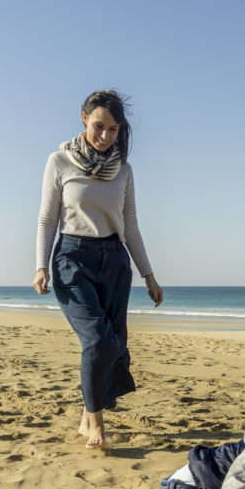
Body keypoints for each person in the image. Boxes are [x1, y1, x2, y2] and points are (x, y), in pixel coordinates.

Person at [33, 90, 163, 450]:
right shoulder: (59, 161)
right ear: (84, 119)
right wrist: (41, 266)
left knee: (115, 345)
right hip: (72, 259)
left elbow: (131, 225)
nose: (106, 136)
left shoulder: (124, 170)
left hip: (115, 262)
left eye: (113, 130)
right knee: (98, 340)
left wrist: (149, 275)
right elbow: (47, 219)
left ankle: (85, 416)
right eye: (99, 126)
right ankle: (96, 426)